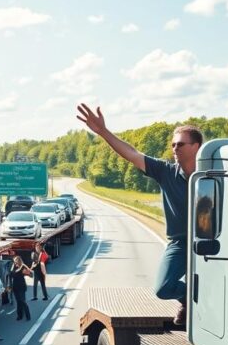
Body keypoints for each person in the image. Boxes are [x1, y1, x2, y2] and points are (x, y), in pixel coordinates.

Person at [77, 103, 201, 326]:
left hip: (212, 243)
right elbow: (132, 153)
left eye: (180, 144)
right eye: (173, 144)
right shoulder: (166, 172)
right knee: (163, 288)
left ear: (197, 146)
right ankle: (191, 300)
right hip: (180, 243)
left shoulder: (215, 174)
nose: (175, 148)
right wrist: (103, 132)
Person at [8, 256, 33, 321]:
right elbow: (11, 274)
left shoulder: (23, 267)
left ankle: (28, 316)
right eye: (14, 261)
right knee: (18, 302)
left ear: (19, 261)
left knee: (23, 301)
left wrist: (27, 272)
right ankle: (20, 316)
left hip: (21, 287)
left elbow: (31, 274)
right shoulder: (14, 267)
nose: (15, 262)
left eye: (16, 261)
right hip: (15, 287)